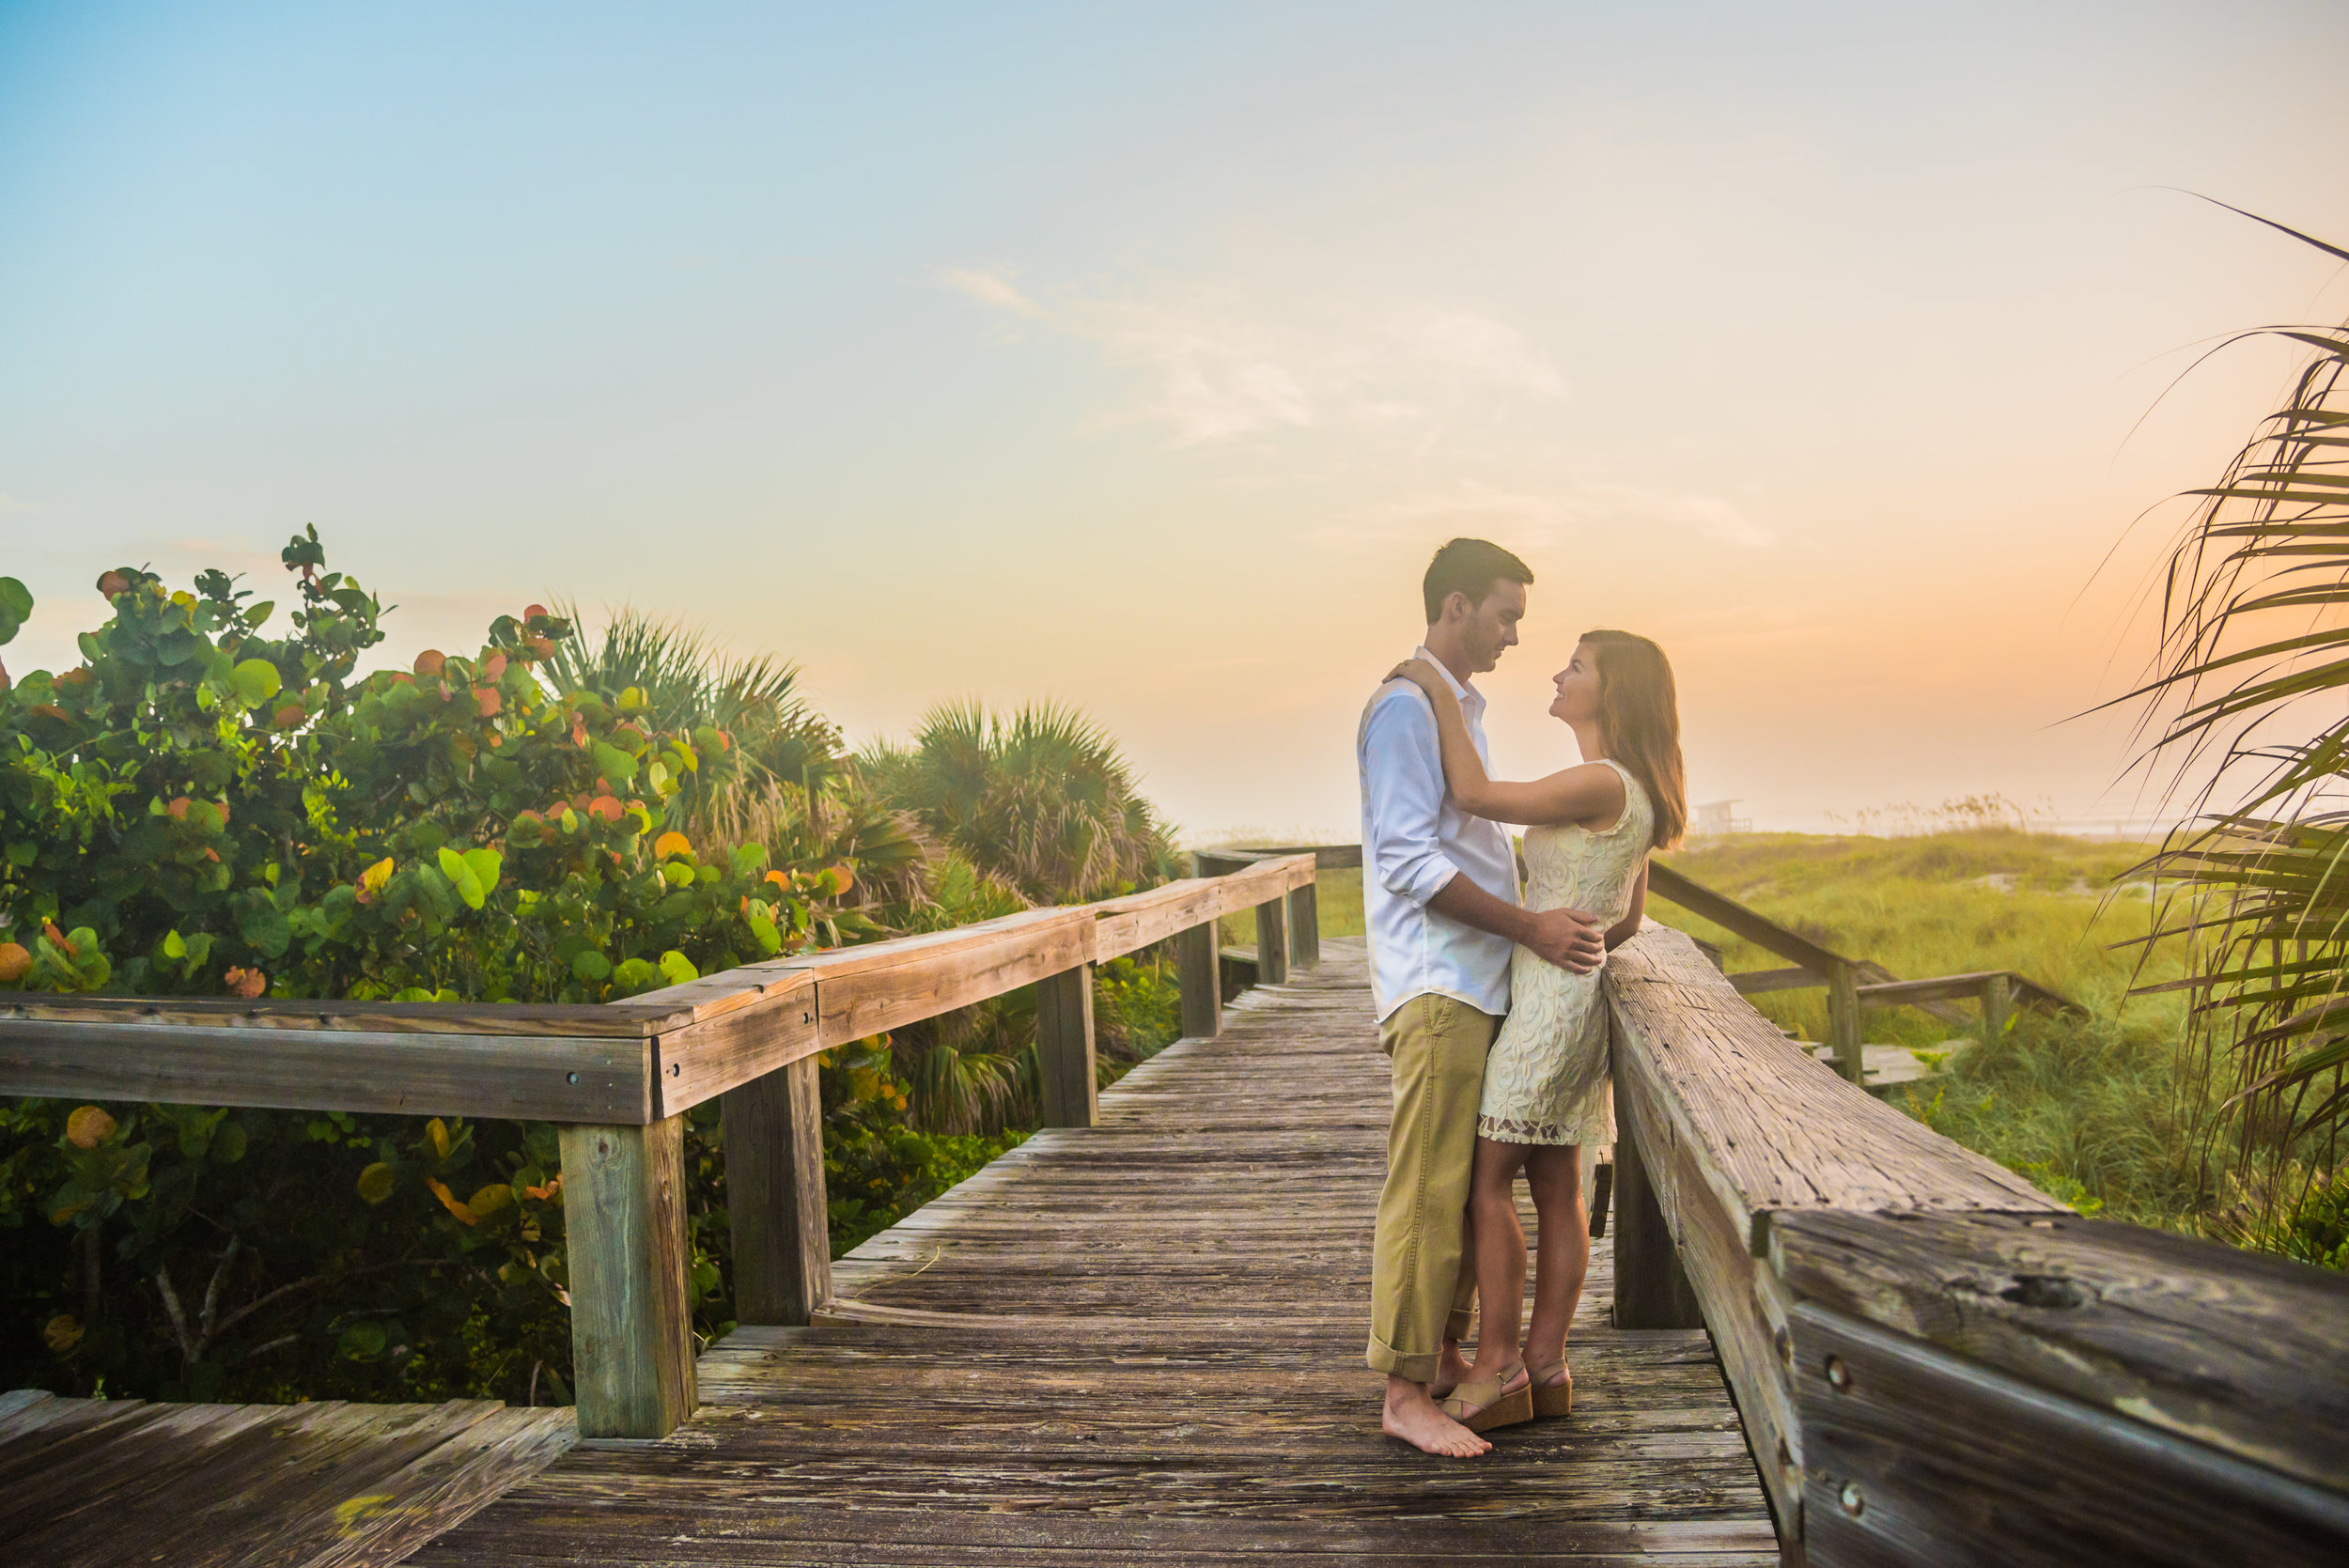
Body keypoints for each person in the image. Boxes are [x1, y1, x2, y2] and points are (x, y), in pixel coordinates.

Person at [1385, 629, 1687, 1437]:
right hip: (1569, 997)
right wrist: (1579, 946)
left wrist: (1436, 688)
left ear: (1612, 692)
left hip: (1547, 1008)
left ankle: (1496, 1366)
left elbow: (1476, 794)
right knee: (1556, 1187)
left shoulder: (1598, 779)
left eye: (1577, 667)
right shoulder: (1640, 789)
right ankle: (1547, 1366)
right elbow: (1629, 917)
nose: (1559, 673)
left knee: (1486, 1183)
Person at [1358, 538, 1608, 1459]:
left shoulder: (1451, 703)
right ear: (1456, 605)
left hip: (1476, 978)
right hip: (1439, 981)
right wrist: (1529, 927)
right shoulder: (1403, 707)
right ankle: (1400, 1389)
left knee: (1466, 1187)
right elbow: (1407, 859)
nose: (1512, 634)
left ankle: (1449, 1352)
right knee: (1427, 1186)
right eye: (1505, 614)